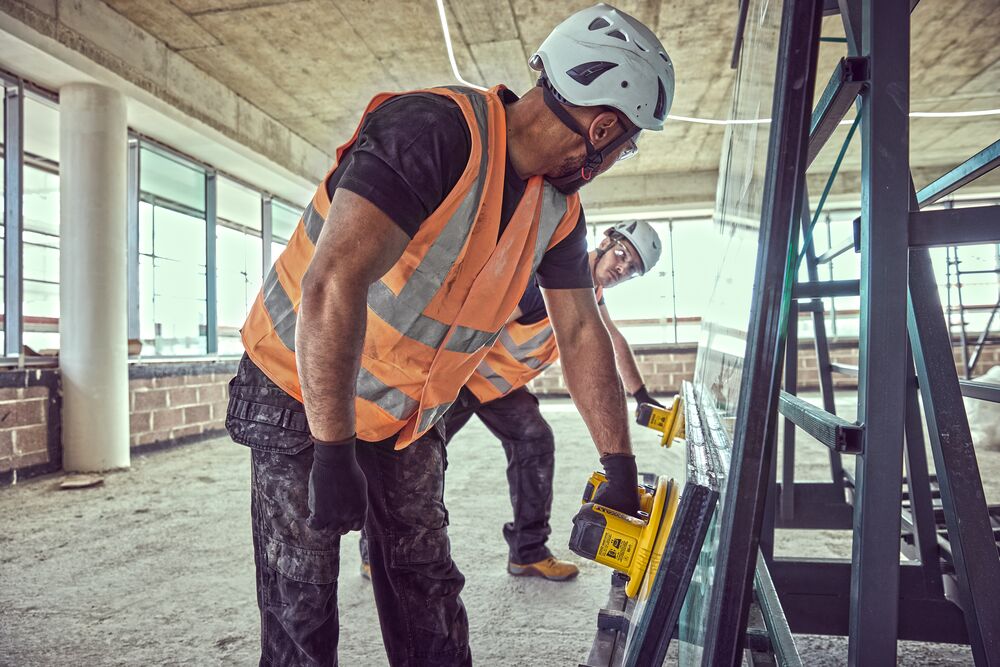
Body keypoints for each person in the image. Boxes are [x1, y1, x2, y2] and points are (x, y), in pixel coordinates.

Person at [224, 4, 675, 665]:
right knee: (303, 604)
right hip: (299, 388)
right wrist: (330, 450)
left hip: (407, 415)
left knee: (427, 588)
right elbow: (332, 284)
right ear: (602, 126)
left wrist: (619, 463)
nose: (617, 155)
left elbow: (579, 330)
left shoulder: (557, 210)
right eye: (627, 142)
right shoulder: (434, 131)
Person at [358, 221, 666, 582]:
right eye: (622, 255)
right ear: (607, 240)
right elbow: (484, 324)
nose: (621, 269)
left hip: (498, 390)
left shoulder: (591, 297)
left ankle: (528, 551)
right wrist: (433, 378)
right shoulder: (546, 283)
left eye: (631, 270)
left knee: (535, 441)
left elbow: (613, 344)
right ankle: (375, 552)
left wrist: (642, 395)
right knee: (412, 461)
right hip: (460, 381)